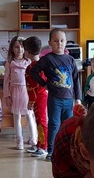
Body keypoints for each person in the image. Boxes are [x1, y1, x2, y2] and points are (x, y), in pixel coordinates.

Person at [28, 28, 81, 160]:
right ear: (50, 43)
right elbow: (33, 72)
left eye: (62, 41)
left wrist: (78, 98)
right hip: (54, 99)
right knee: (54, 124)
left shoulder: (70, 60)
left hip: (69, 99)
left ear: (66, 42)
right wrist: (44, 84)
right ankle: (51, 151)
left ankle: (67, 150)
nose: (59, 44)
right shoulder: (47, 59)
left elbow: (76, 79)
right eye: (56, 41)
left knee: (68, 126)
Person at [3, 35, 36, 151]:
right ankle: (19, 140)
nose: (20, 49)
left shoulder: (29, 62)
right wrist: (7, 95)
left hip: (27, 91)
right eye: (17, 47)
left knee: (29, 115)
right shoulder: (10, 63)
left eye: (22, 47)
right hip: (15, 92)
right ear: (12, 49)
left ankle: (33, 139)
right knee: (16, 116)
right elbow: (6, 80)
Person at [23, 35, 48, 158]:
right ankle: (39, 144)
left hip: (38, 97)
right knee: (39, 120)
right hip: (43, 95)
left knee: (41, 121)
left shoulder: (31, 68)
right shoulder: (43, 64)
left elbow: (33, 87)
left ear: (27, 52)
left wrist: (31, 101)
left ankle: (44, 147)